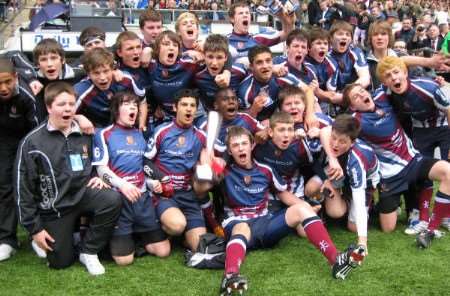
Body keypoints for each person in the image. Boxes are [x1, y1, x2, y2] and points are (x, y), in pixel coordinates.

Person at [214, 126, 365, 294]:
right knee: (242, 227)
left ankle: (336, 259)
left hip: (264, 223)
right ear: (230, 150)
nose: (241, 148)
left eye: (244, 143)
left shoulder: (265, 170)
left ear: (251, 145)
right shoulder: (224, 170)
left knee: (301, 208)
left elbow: (283, 194)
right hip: (237, 224)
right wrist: (211, 165)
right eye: (235, 145)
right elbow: (201, 187)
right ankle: (230, 276)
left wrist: (307, 208)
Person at [14, 82, 122, 275]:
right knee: (60, 262)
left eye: (71, 104)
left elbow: (97, 160)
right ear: (48, 108)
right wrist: (35, 229)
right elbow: (23, 189)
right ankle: (49, 240)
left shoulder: (86, 132)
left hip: (82, 195)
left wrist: (97, 176)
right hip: (55, 208)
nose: (67, 109)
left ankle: (88, 251)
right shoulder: (32, 142)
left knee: (111, 199)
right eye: (61, 104)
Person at [342, 83, 450, 248]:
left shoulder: (381, 96)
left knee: (447, 171)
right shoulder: (355, 120)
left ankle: (431, 227)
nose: (362, 95)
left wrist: (434, 71)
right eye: (356, 96)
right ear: (352, 106)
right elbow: (332, 130)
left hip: (413, 161)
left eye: (362, 91)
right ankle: (375, 206)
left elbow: (396, 69)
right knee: (384, 228)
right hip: (389, 176)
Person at [92, 92, 170, 265]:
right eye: (127, 104)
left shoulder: (140, 134)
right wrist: (123, 185)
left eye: (135, 105)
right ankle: (123, 239)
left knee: (163, 251)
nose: (133, 107)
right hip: (119, 199)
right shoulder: (103, 134)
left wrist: (151, 183)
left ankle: (137, 238)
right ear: (115, 110)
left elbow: (143, 166)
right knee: (124, 261)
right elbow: (101, 169)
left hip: (142, 199)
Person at [377, 56, 450, 235]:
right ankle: (423, 219)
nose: (394, 78)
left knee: (448, 170)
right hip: (420, 131)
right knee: (422, 175)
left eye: (396, 73)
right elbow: (394, 63)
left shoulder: (428, 87)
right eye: (388, 76)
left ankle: (445, 216)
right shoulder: (386, 91)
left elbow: (449, 109)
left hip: (443, 128)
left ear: (405, 73)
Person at [144, 89, 217, 251]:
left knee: (200, 246)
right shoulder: (162, 131)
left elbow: (222, 154)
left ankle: (183, 236)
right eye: (184, 105)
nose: (189, 109)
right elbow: (146, 160)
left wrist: (210, 160)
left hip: (188, 195)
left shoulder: (201, 136)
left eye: (192, 105)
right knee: (177, 225)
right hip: (164, 194)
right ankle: (159, 228)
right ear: (175, 108)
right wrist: (161, 178)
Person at [314, 114, 380, 252]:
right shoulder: (330, 133)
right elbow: (325, 130)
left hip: (363, 182)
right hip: (339, 172)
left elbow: (360, 199)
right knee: (312, 187)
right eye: (334, 138)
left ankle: (351, 202)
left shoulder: (357, 160)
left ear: (353, 142)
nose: (335, 144)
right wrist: (330, 165)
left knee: (352, 226)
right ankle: (320, 208)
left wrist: (362, 242)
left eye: (342, 141)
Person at [0, 58, 39, 261]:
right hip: (4, 142)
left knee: (31, 185)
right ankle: (7, 240)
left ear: (15, 77)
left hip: (28, 140)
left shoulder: (26, 97)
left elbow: (37, 130)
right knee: (5, 187)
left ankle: (37, 235)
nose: (4, 88)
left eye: (7, 81)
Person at [75, 47, 146, 128]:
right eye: (96, 73)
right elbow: (63, 115)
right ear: (88, 74)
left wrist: (141, 125)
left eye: (106, 71)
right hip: (98, 130)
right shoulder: (81, 90)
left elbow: (142, 101)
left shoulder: (126, 79)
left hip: (128, 127)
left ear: (113, 69)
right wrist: (79, 118)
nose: (102, 77)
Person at [227, 1, 294, 63]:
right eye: (241, 13)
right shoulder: (224, 42)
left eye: (247, 13)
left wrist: (282, 16)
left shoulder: (258, 39)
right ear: (232, 19)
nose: (245, 15)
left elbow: (287, 33)